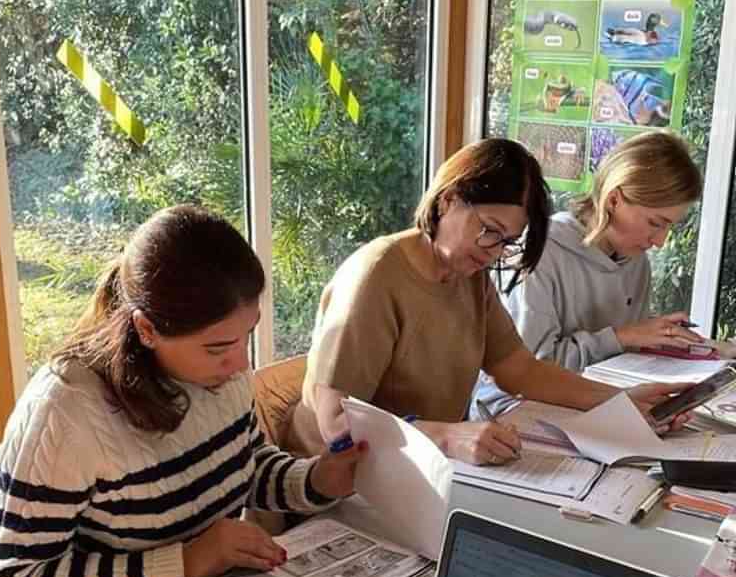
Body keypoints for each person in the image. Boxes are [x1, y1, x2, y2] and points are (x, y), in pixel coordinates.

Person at [0, 206, 363, 577]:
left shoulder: (220, 378)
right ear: (146, 329)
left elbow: (243, 467)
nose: (240, 364)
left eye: (246, 336)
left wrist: (315, 479)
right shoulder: (66, 412)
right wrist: (184, 562)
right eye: (219, 348)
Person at [285, 137, 685, 466]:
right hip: (333, 482)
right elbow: (335, 422)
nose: (494, 251)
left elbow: (521, 370)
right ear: (448, 201)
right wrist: (446, 435)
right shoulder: (375, 277)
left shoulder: (468, 275)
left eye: (508, 242)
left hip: (415, 468)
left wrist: (618, 401)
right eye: (489, 231)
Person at [473, 131, 704, 416]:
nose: (660, 242)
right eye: (655, 223)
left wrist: (655, 338)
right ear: (614, 200)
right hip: (518, 409)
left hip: (599, 404)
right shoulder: (538, 252)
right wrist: (622, 337)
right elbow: (528, 373)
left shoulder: (636, 262)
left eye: (670, 227)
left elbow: (620, 365)